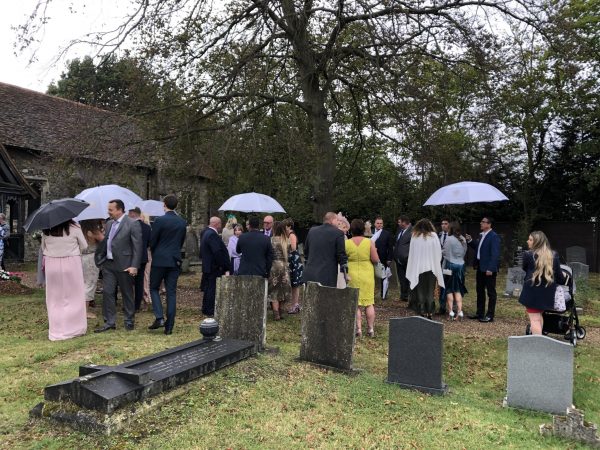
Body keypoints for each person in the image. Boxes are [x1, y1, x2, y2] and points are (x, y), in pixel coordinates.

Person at [94, 199, 142, 332]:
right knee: (108, 292)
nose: (108, 212)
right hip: (109, 265)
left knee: (127, 293)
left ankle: (129, 320)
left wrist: (134, 265)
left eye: (111, 210)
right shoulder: (109, 224)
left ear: (120, 210)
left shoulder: (132, 224)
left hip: (125, 265)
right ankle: (110, 322)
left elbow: (138, 247)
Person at [41, 220, 88, 340]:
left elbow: (43, 247)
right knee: (74, 296)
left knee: (54, 298)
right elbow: (84, 245)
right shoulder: (74, 228)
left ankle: (56, 330)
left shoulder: (47, 230)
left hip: (52, 263)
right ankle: (74, 328)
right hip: (71, 262)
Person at [148, 195, 187, 335]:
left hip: (160, 259)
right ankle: (169, 326)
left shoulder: (160, 220)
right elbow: (181, 241)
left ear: (164, 204)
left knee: (153, 287)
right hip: (174, 259)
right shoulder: (182, 222)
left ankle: (159, 317)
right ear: (176, 205)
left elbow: (153, 241)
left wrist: (155, 252)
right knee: (171, 292)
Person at [518, 231, 565, 334]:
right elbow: (560, 278)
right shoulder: (554, 255)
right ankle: (540, 340)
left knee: (534, 320)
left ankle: (537, 346)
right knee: (538, 317)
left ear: (537, 242)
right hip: (547, 292)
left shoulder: (527, 255)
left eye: (530, 240)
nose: (527, 241)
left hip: (532, 292)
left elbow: (526, 270)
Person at [346, 219, 380, 337]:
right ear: (363, 229)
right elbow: (375, 259)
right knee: (369, 302)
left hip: (352, 273)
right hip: (367, 272)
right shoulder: (369, 242)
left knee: (356, 303)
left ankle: (358, 329)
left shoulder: (347, 243)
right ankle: (370, 329)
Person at [406, 219, 445, 319]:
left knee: (420, 290)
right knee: (430, 290)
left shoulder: (415, 236)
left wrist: (412, 267)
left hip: (418, 268)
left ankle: (422, 310)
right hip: (431, 267)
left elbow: (412, 254)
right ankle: (430, 312)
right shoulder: (434, 236)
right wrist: (436, 263)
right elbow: (438, 252)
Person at [466, 216, 501, 323]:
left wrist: (491, 268)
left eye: (483, 222)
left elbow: (495, 254)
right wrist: (470, 240)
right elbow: (479, 248)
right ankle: (479, 313)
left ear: (489, 224)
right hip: (480, 267)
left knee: (491, 292)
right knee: (479, 291)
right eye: (481, 221)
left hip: (489, 269)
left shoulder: (494, 236)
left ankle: (490, 315)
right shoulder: (482, 236)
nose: (481, 223)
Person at [303, 212, 348, 288]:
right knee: (326, 298)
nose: (338, 223)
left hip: (310, 272)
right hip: (327, 275)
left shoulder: (312, 231)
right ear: (332, 220)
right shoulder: (338, 233)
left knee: (311, 298)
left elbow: (306, 251)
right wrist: (345, 273)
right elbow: (341, 254)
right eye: (337, 220)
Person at [200, 216, 231, 316]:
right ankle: (210, 309)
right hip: (213, 266)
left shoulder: (206, 232)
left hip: (208, 265)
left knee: (208, 287)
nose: (221, 226)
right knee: (211, 289)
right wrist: (222, 265)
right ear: (217, 224)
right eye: (220, 224)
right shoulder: (212, 235)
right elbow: (217, 251)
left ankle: (205, 308)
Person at [79, 219, 105, 319]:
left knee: (81, 283)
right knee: (89, 283)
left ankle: (80, 308)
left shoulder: (79, 229)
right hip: (90, 258)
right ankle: (85, 311)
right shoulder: (93, 231)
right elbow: (104, 240)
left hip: (79, 257)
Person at [442, 221, 467, 320]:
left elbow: (446, 254)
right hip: (461, 266)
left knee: (449, 289)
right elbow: (464, 252)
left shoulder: (449, 239)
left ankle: (451, 311)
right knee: (458, 289)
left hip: (450, 266)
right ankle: (460, 312)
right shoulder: (463, 239)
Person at [129, 207, 152, 312]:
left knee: (128, 282)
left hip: (130, 257)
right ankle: (137, 305)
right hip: (142, 257)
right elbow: (149, 243)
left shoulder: (129, 226)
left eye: (129, 213)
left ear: (133, 214)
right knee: (139, 282)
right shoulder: (147, 227)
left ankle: (129, 304)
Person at [268, 222, 291, 320]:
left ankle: (276, 313)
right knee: (283, 289)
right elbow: (290, 253)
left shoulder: (271, 240)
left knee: (274, 290)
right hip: (284, 266)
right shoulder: (286, 240)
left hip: (274, 266)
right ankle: (281, 312)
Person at [283, 218, 303, 314]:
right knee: (293, 284)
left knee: (295, 284)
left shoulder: (291, 235)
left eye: (285, 226)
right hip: (291, 261)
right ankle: (294, 304)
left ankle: (295, 304)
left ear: (289, 226)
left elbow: (294, 248)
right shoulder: (288, 235)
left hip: (294, 261)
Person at [371, 216, 394, 300]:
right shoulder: (369, 232)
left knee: (384, 277)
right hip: (370, 258)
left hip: (383, 258)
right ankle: (370, 295)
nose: (379, 225)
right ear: (374, 224)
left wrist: (389, 259)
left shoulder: (387, 233)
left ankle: (383, 295)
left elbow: (390, 247)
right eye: (378, 223)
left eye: (381, 223)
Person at [393, 216, 412, 301]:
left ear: (405, 222)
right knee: (401, 278)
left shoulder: (412, 231)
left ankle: (409, 295)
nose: (398, 223)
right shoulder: (399, 230)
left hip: (407, 259)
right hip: (398, 259)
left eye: (400, 222)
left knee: (408, 278)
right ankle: (403, 295)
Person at [437, 217, 451, 314]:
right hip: (440, 263)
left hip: (449, 264)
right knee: (441, 285)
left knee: (449, 285)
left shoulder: (453, 236)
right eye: (442, 223)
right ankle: (442, 307)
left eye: (445, 223)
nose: (443, 225)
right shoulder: (439, 235)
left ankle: (451, 307)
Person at [336, 212, 350, 288]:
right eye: (343, 227)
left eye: (346, 227)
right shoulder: (341, 237)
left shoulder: (344, 237)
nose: (346, 230)